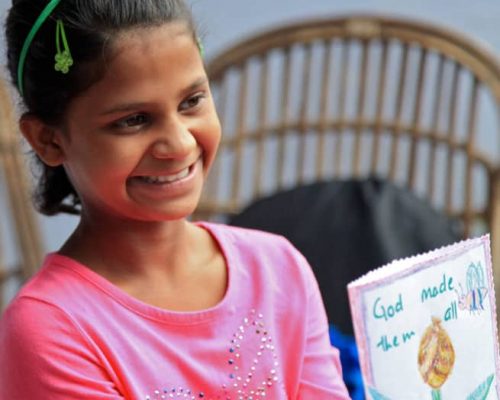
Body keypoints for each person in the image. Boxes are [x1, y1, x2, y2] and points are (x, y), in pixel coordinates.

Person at [0, 1, 351, 398]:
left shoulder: (279, 269)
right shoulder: (52, 327)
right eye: (133, 120)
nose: (180, 143)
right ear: (48, 139)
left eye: (191, 102)